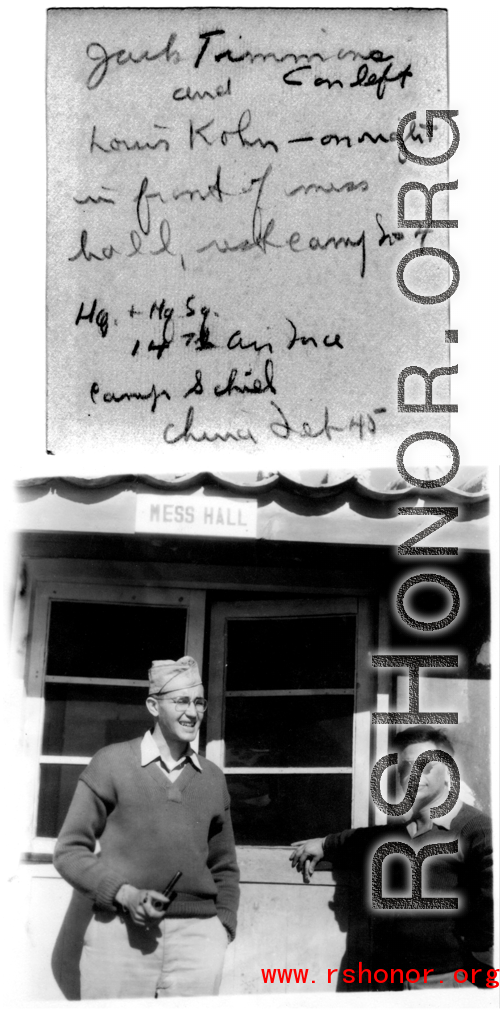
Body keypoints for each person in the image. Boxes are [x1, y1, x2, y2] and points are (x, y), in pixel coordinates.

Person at [54, 656, 239, 1000]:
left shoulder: (212, 778)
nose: (193, 712)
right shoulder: (110, 763)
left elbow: (224, 865)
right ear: (153, 705)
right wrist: (124, 894)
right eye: (181, 701)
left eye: (199, 702)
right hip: (119, 934)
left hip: (198, 941)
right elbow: (69, 852)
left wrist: (222, 926)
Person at [290, 727, 493, 991]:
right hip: (389, 982)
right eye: (405, 766)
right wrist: (324, 843)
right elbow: (357, 839)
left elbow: (491, 907)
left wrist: (470, 961)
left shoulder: (477, 830)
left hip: (444, 981)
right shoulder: (398, 831)